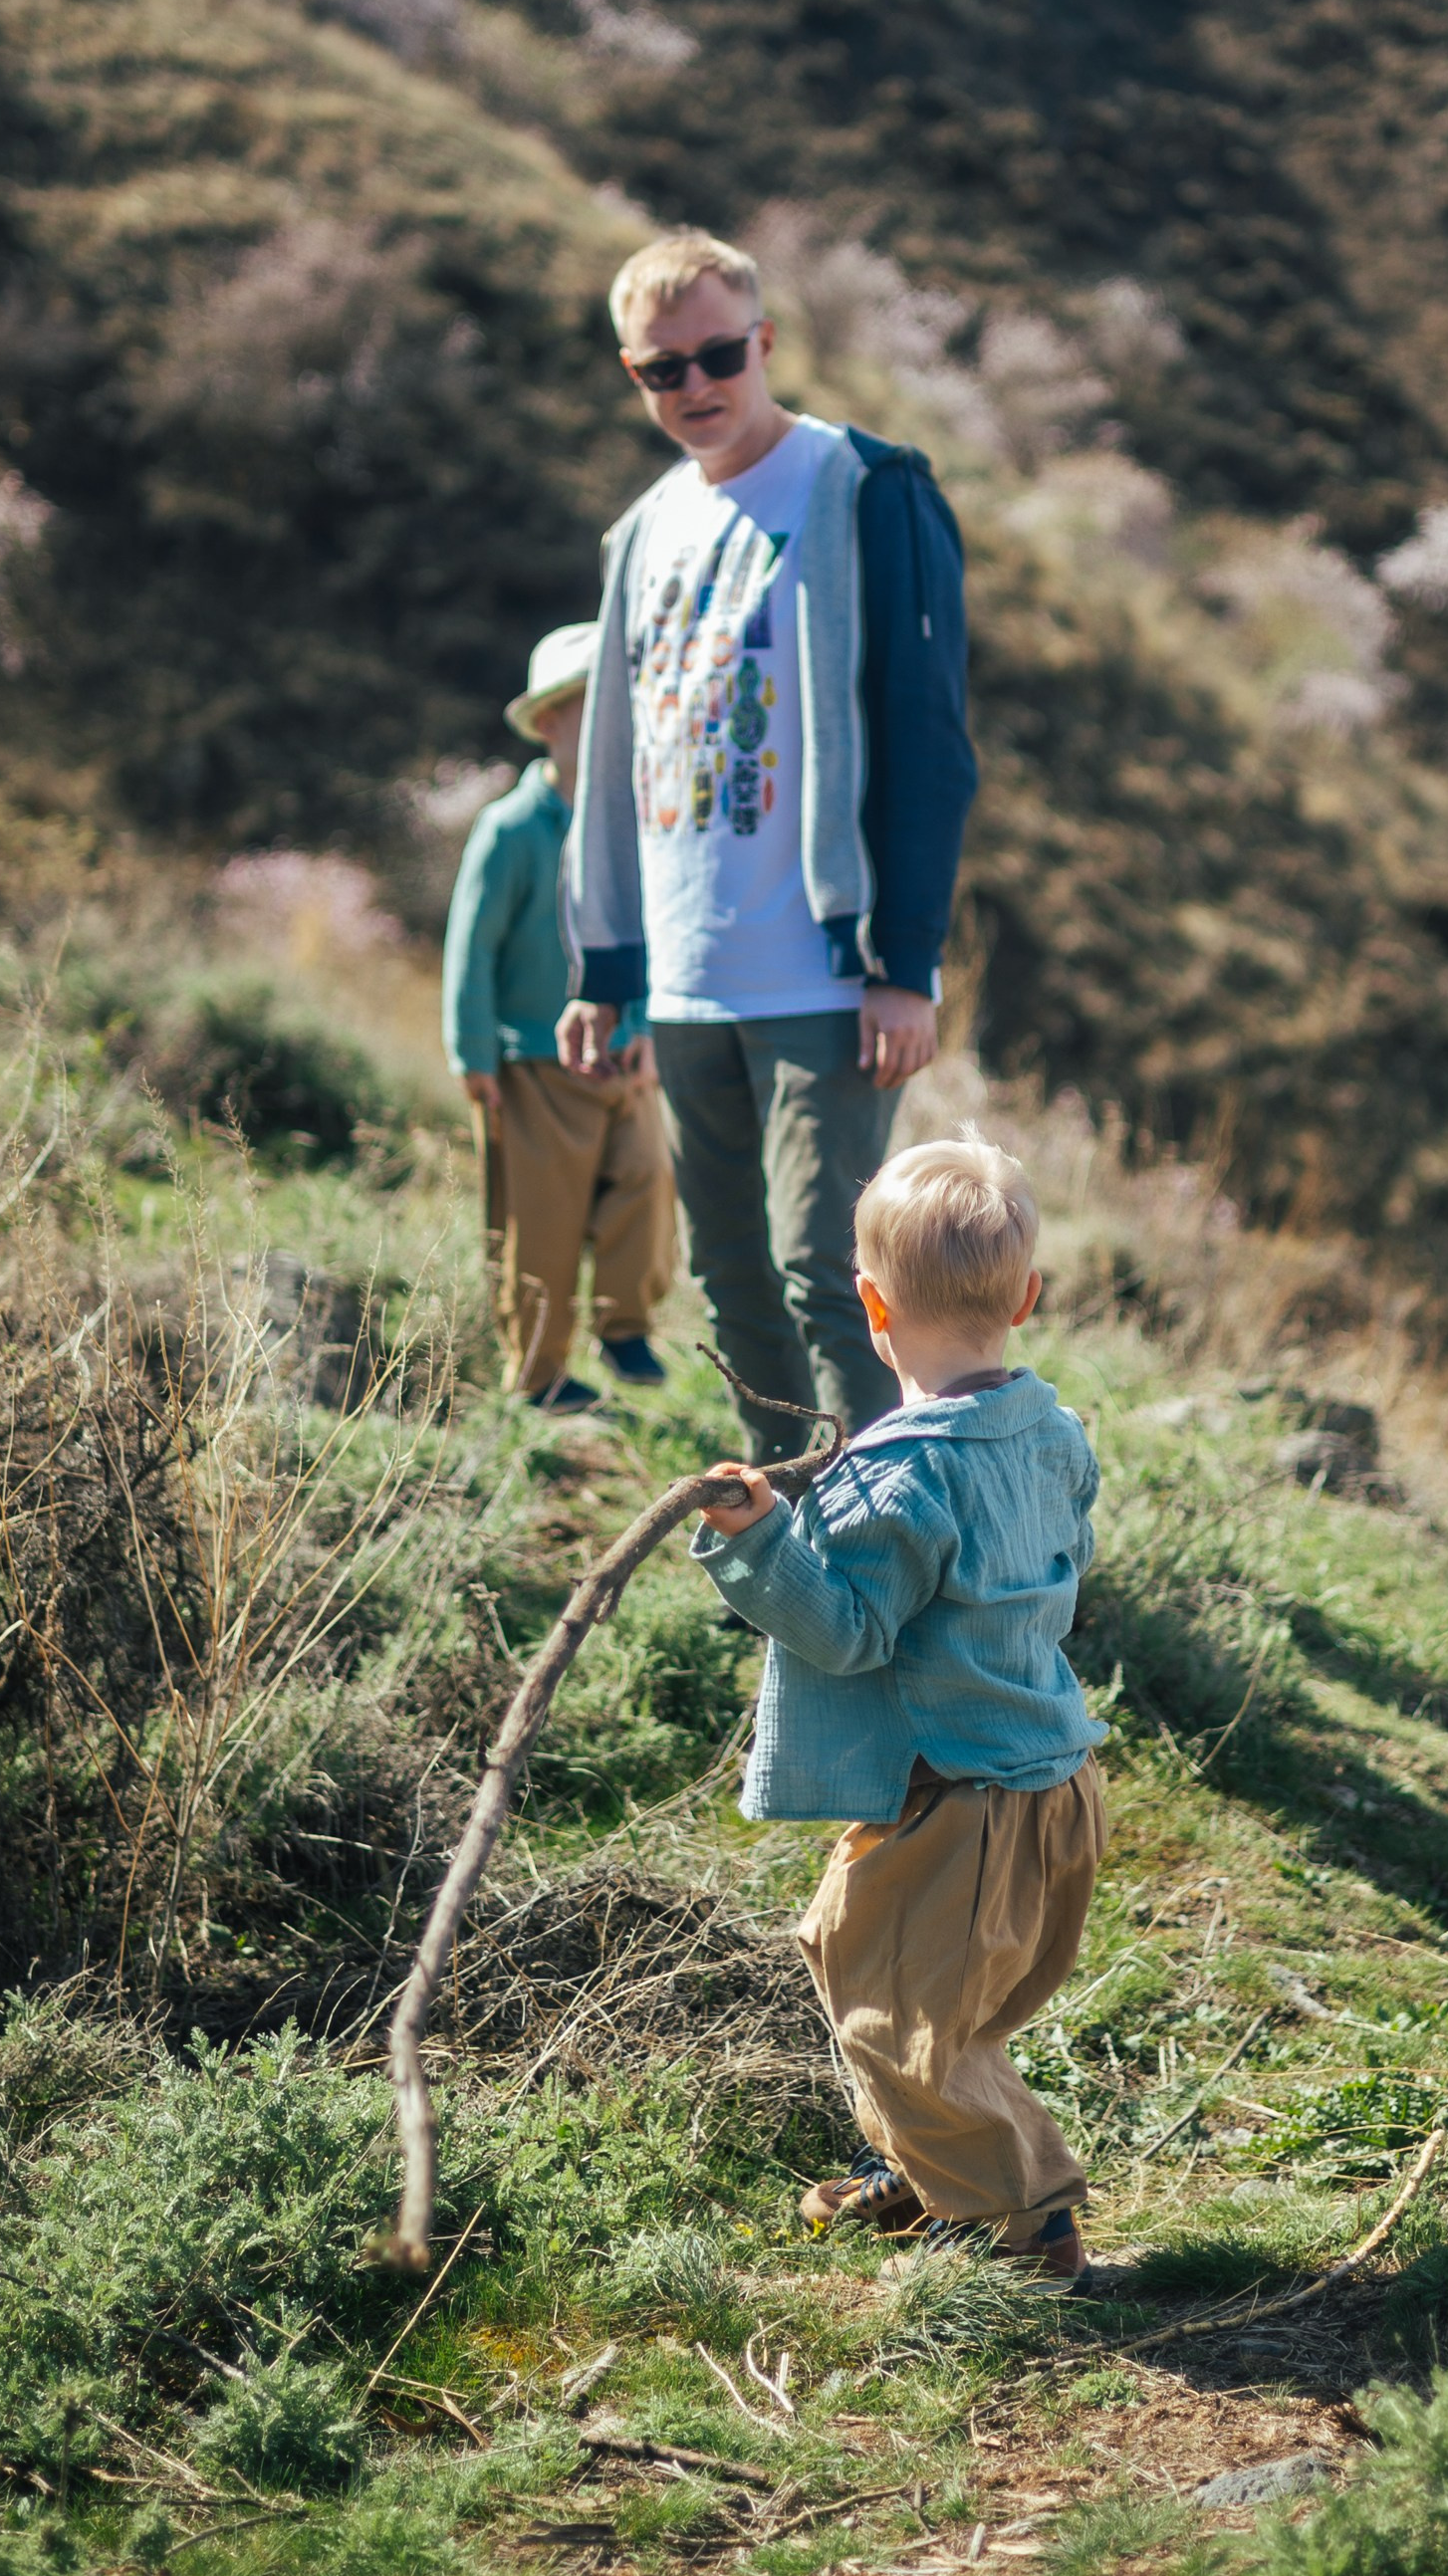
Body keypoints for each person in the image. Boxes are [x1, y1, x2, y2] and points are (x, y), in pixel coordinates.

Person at [560, 225, 976, 1457]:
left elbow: (926, 734)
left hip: (824, 970)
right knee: (732, 1280)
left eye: (717, 355)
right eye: (660, 370)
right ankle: (802, 1536)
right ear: (633, 375)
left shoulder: (868, 488)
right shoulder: (640, 535)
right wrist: (608, 969)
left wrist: (904, 961)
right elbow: (611, 762)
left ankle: (893, 1548)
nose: (694, 387)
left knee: (829, 1272)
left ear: (766, 343)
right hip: (688, 980)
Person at [692, 1132, 1115, 2287]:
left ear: (870, 1302)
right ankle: (938, 2176)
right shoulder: (1053, 1433)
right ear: (1025, 1298)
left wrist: (762, 1539)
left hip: (961, 1805)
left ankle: (1028, 2220)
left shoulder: (900, 1472)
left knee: (901, 2022)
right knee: (869, 1965)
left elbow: (845, 1629)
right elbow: (1067, 1555)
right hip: (1050, 1784)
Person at [443, 622, 675, 1414]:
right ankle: (538, 1374)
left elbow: (650, 936)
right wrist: (474, 1054)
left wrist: (642, 1024)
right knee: (538, 1223)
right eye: (595, 712)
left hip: (620, 1056)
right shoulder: (511, 831)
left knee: (646, 1182)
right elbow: (470, 949)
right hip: (533, 1063)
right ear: (549, 724)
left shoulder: (640, 826)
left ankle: (626, 1326)